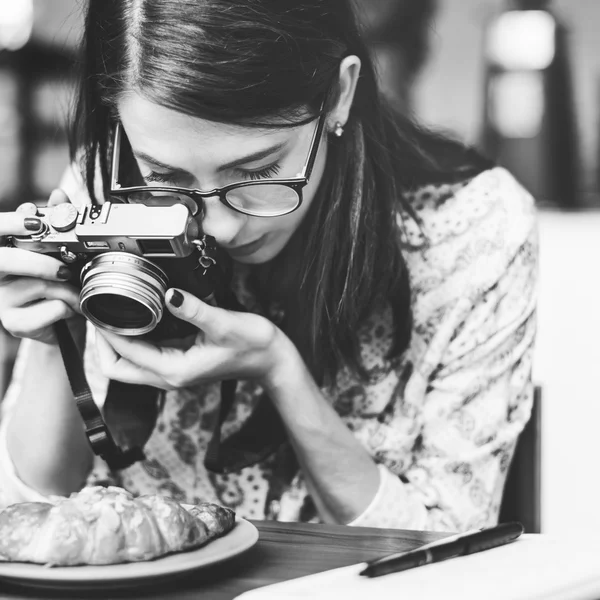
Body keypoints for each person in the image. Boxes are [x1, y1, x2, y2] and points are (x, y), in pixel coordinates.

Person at [0, 0, 537, 532]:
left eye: (257, 170)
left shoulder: (472, 231)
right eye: (168, 177)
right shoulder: (105, 187)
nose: (221, 227)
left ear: (339, 96)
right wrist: (54, 341)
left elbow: (448, 549)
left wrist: (279, 370)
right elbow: (38, 513)